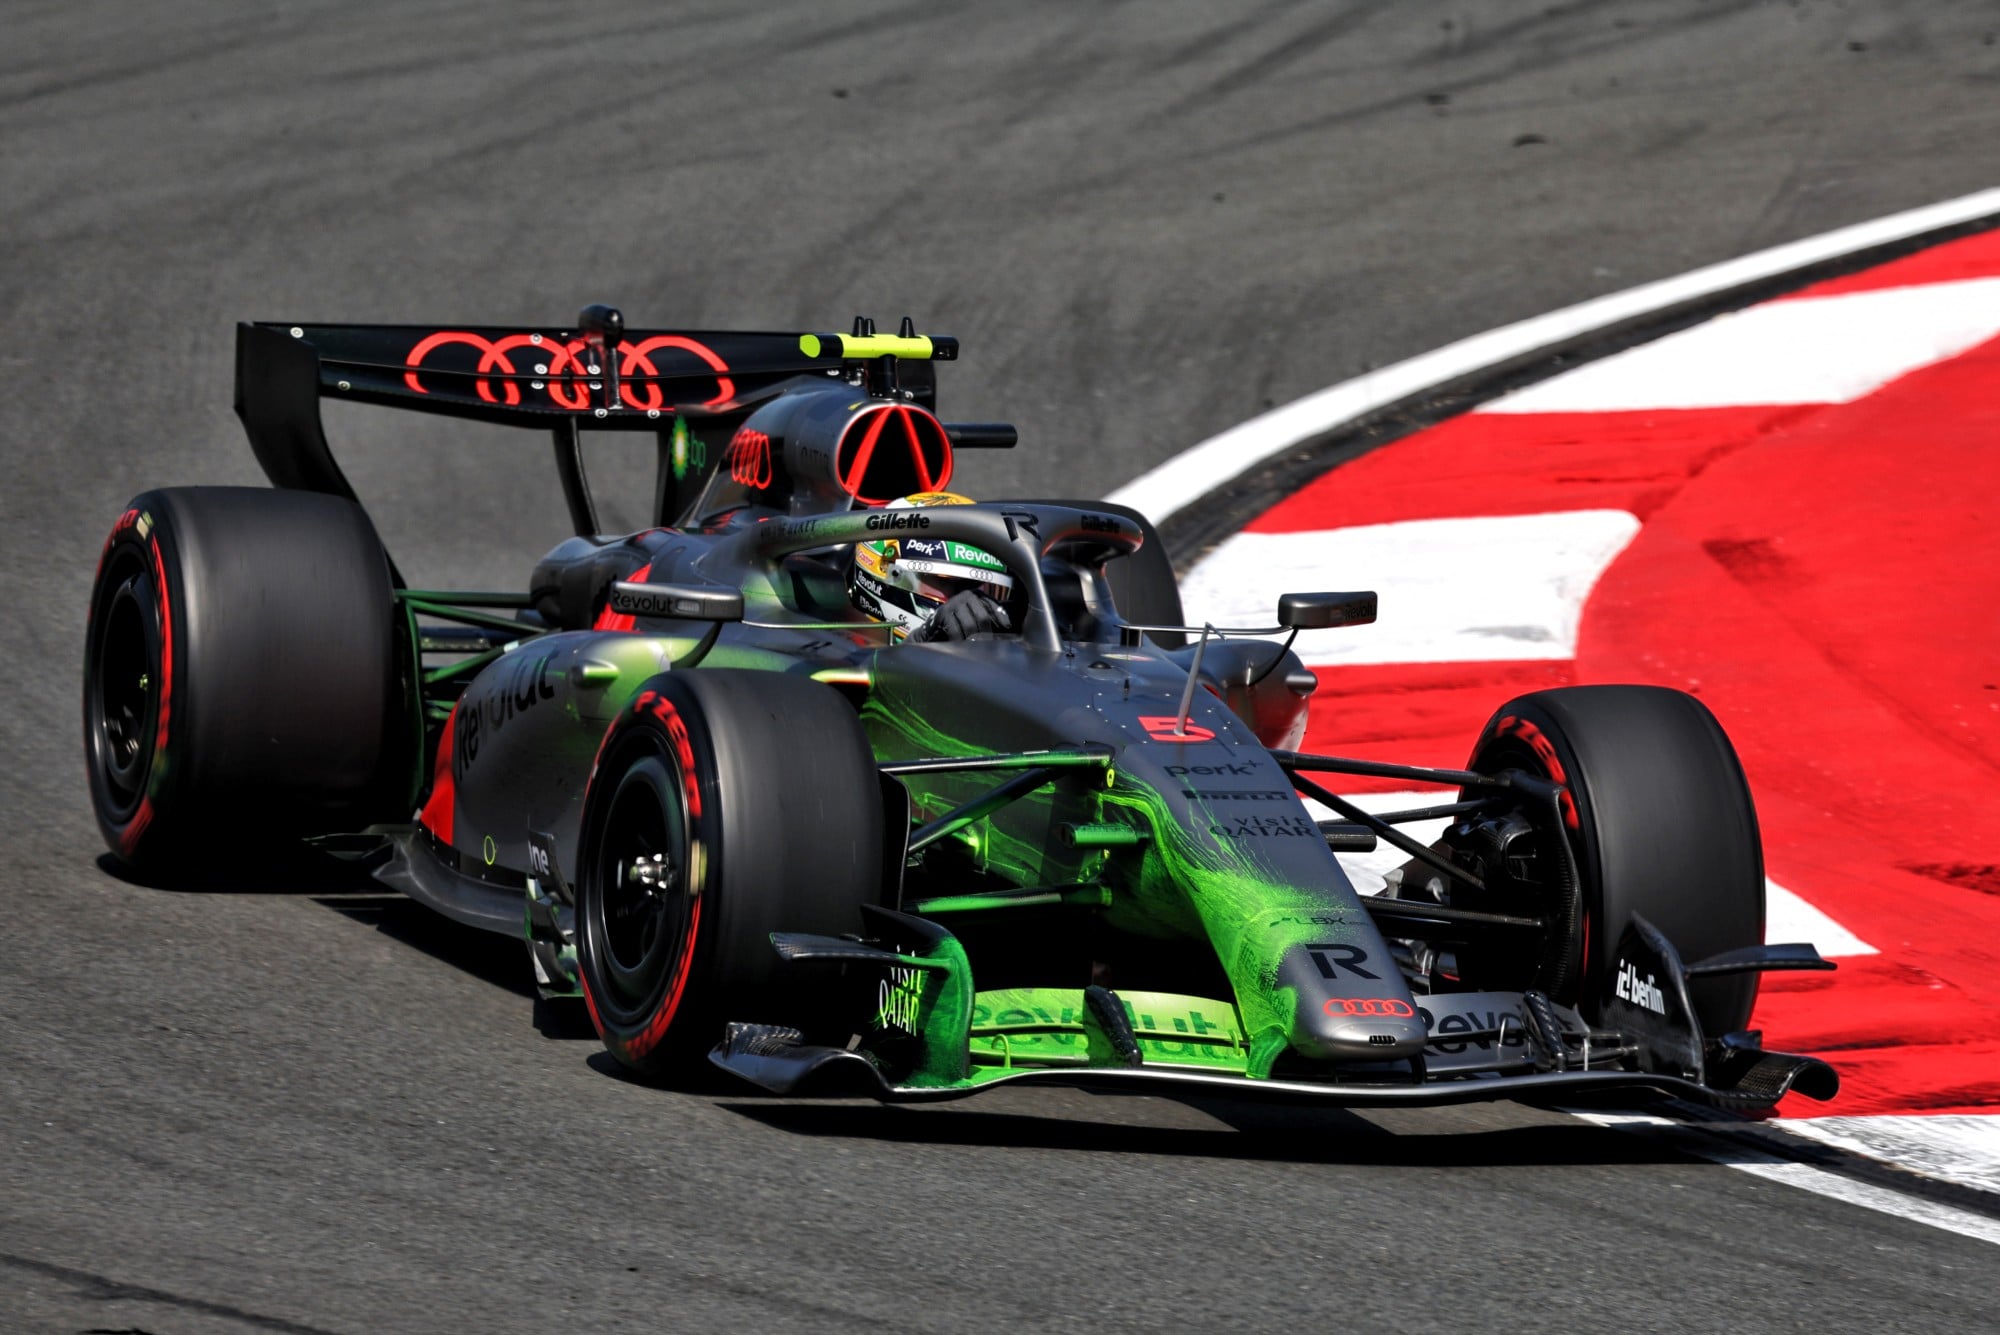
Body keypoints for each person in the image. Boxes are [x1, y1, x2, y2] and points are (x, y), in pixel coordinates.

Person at [847, 493, 1015, 642]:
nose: (969, 601)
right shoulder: (845, 655)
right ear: (890, 571)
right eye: (945, 581)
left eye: (976, 586)